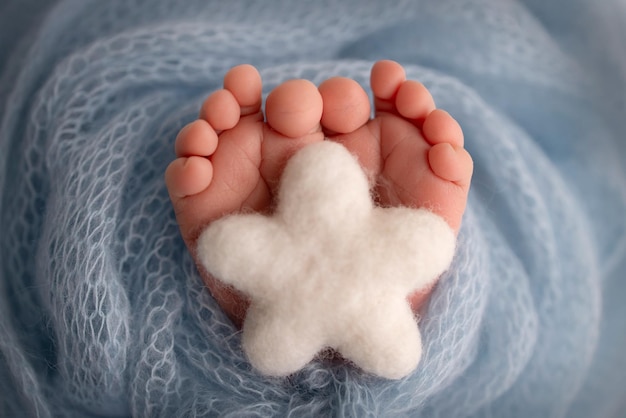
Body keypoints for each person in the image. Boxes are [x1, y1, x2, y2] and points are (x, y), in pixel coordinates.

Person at [165, 60, 473, 327]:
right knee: (393, 349)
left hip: (292, 301)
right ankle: (392, 310)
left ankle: (256, 312)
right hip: (349, 293)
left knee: (276, 349)